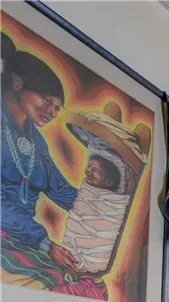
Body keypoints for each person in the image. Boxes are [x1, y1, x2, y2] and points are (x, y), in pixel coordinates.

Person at [1, 32, 80, 274]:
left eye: (57, 108)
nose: (51, 112)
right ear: (17, 84)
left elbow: (59, 189)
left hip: (25, 240)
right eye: (46, 100)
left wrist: (99, 207)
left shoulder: (37, 140)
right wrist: (45, 243)